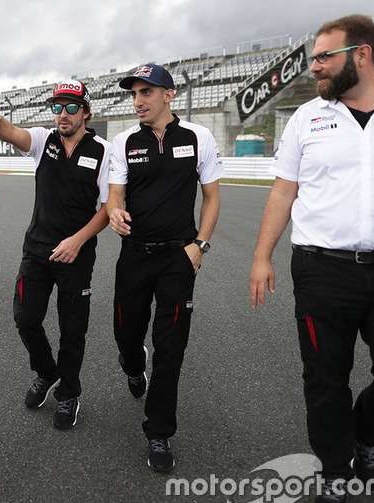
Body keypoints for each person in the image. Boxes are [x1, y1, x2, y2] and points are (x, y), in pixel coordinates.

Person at [249, 14, 374, 503]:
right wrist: (261, 256)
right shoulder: (306, 118)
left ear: (361, 55)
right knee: (325, 379)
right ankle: (335, 470)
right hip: (321, 270)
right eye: (313, 57)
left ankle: (365, 436)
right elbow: (283, 191)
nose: (313, 66)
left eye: (323, 57)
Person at [0, 80, 111, 430]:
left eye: (70, 107)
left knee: (72, 329)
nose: (62, 115)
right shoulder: (43, 140)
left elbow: (110, 208)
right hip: (36, 250)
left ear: (85, 112)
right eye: (57, 107)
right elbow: (12, 133)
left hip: (76, 255)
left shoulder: (104, 151)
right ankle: (46, 372)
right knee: (25, 318)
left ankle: (68, 393)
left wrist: (77, 240)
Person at [106, 63, 222, 472]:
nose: (137, 101)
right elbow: (114, 196)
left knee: (170, 348)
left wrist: (199, 247)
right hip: (134, 255)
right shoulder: (122, 142)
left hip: (179, 257)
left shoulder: (197, 137)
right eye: (134, 94)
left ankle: (159, 432)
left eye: (146, 93)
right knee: (126, 335)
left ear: (168, 95)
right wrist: (116, 213)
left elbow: (211, 197)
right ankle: (133, 365)